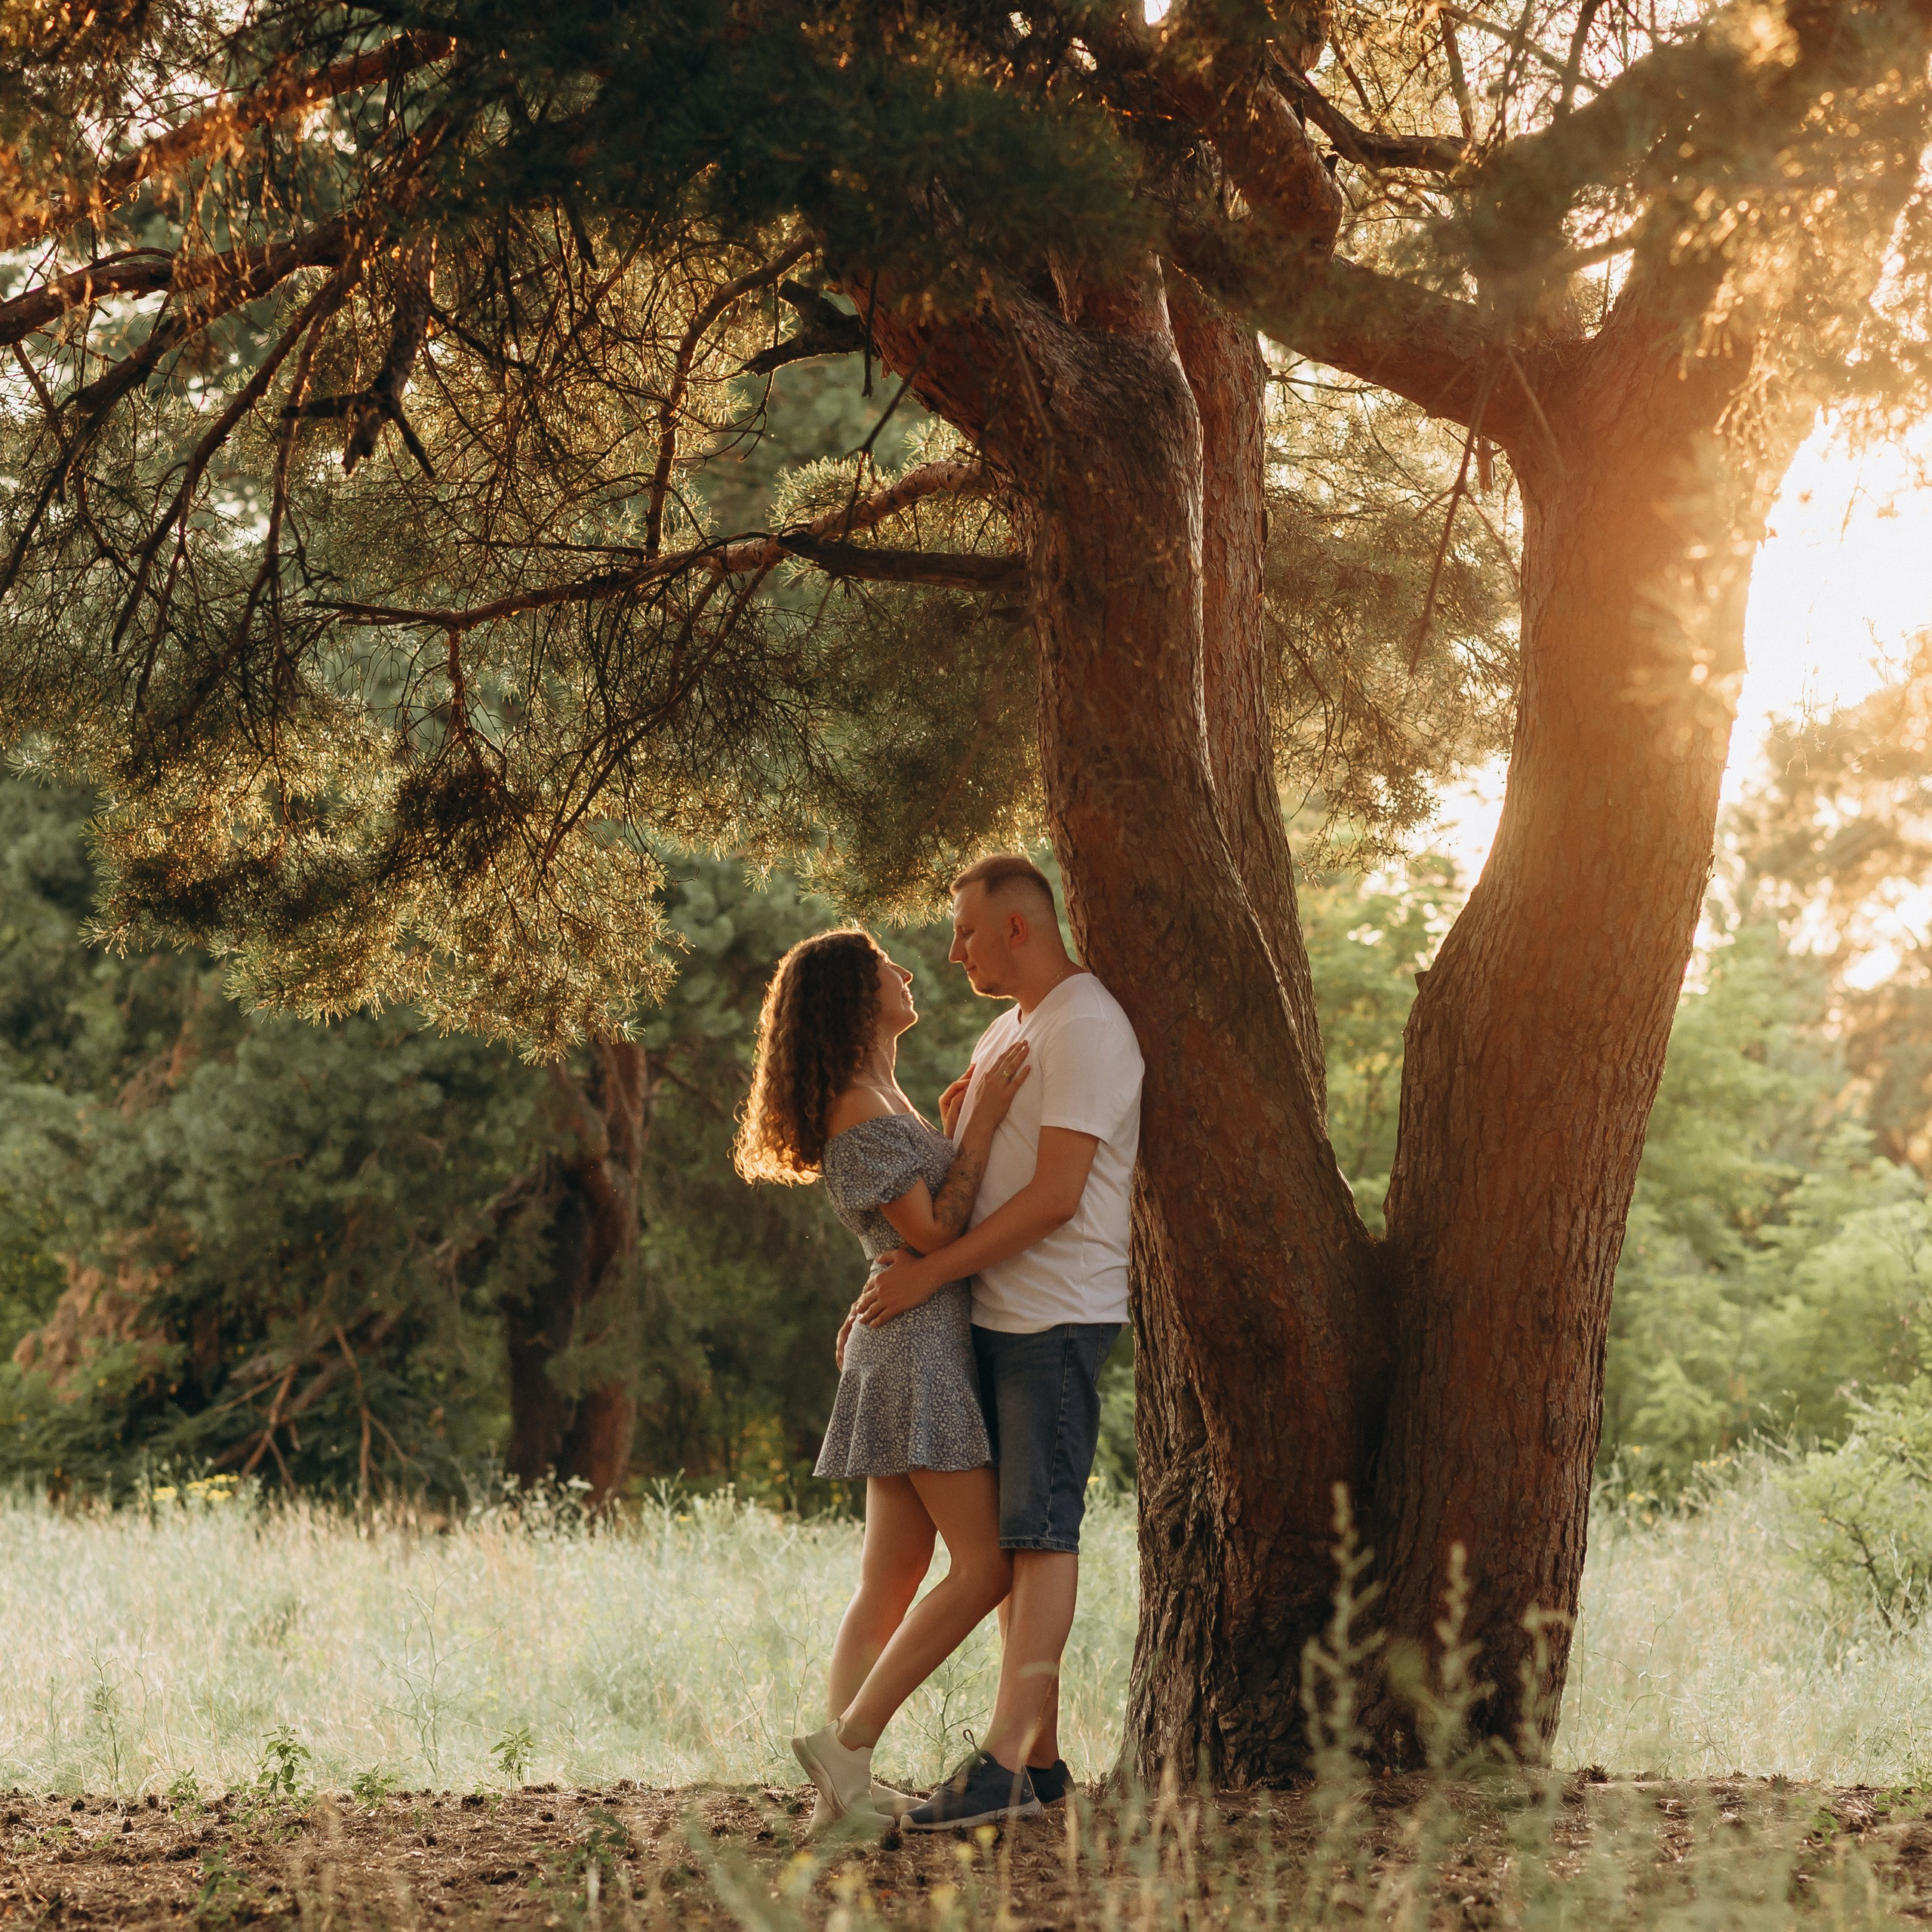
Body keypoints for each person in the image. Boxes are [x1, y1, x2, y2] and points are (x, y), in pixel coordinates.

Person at [854, 854, 1143, 1830]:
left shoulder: (1089, 1024)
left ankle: (1006, 1764)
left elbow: (1060, 1197)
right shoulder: (1008, 1026)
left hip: (1056, 1314)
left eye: (967, 933)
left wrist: (930, 1274)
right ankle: (1042, 1764)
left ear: (1018, 928)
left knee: (1039, 1535)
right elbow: (978, 1175)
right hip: (996, 1315)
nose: (953, 951)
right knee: (1016, 1546)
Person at [732, 926, 1033, 1833]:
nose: (908, 972)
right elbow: (938, 1237)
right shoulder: (857, 1106)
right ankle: (848, 1749)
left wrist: (949, 1131)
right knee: (983, 1567)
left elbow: (908, 1231)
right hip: (917, 1348)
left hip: (909, 1334)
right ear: (857, 999)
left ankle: (842, 1800)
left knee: (894, 1575)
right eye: (885, 967)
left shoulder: (876, 1096)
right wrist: (977, 1124)